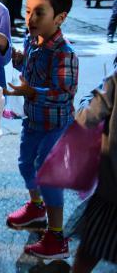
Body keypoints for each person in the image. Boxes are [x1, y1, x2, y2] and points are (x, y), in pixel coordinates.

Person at [4, 0, 78, 259]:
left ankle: (57, 237)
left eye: (39, 13)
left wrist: (30, 91)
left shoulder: (65, 53)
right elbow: (28, 65)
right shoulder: (31, 40)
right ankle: (37, 208)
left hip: (56, 126)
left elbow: (63, 92)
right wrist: (15, 55)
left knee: (48, 176)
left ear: (60, 18)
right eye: (27, 11)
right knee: (25, 164)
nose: (31, 18)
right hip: (34, 120)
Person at [72, 66, 117, 272]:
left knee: (90, 250)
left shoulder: (114, 79)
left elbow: (86, 117)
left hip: (111, 194)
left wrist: (85, 99)